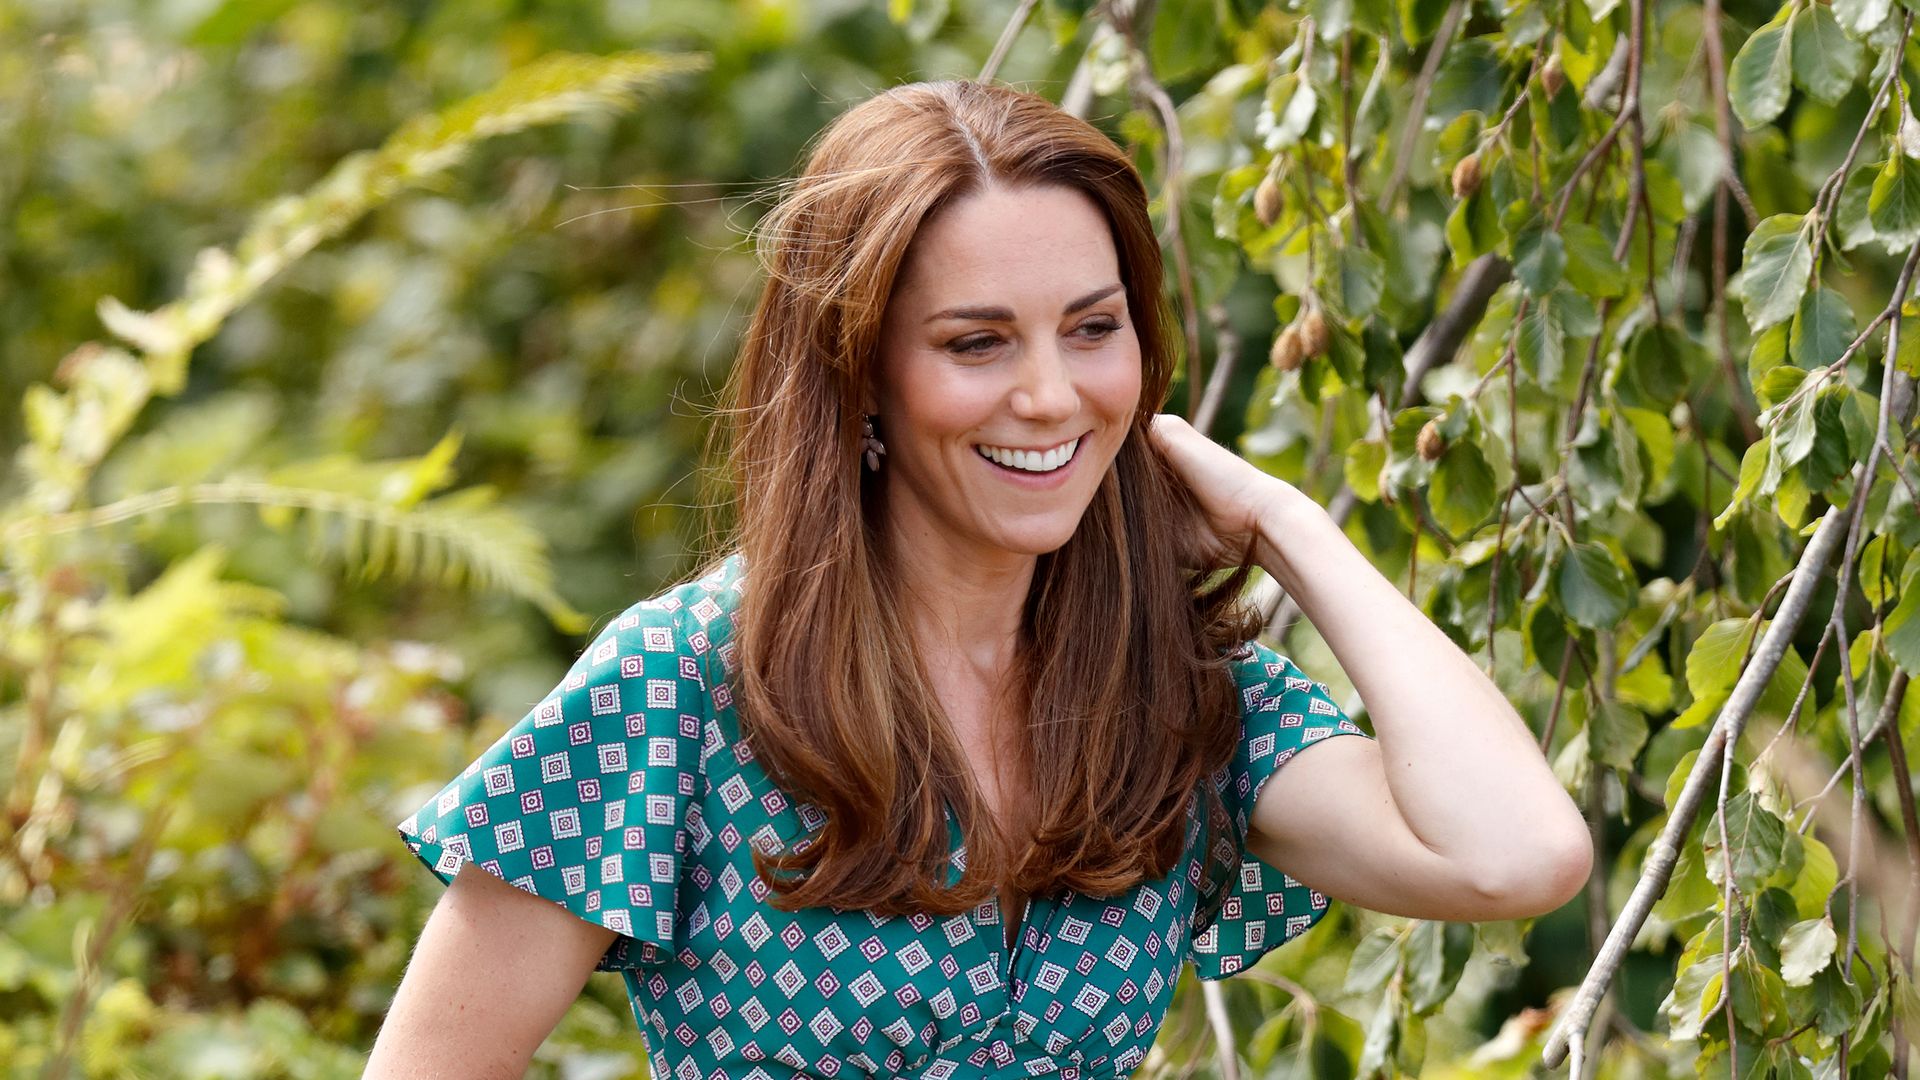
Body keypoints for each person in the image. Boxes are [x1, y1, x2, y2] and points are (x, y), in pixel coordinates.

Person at [364, 79, 1590, 1079]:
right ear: (860, 373)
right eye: (976, 342)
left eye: (1093, 328)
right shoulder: (682, 687)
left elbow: (1518, 857)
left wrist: (1289, 527)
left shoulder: (1178, 695)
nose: (1052, 396)